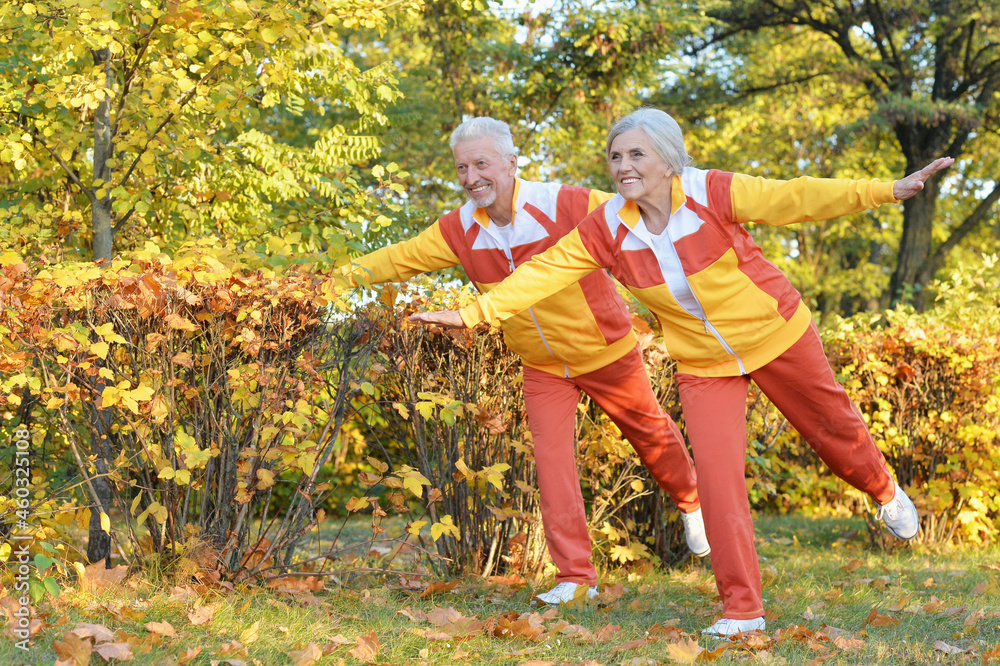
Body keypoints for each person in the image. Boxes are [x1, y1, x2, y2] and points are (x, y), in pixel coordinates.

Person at [409, 108, 950, 636]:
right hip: (702, 362)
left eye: (636, 154)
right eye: (615, 156)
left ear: (668, 159)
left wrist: (884, 191)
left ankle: (881, 489)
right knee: (716, 481)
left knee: (834, 433)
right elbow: (544, 272)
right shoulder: (606, 228)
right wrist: (472, 313)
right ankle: (742, 610)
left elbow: (795, 196)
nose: (623, 165)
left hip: (775, 333)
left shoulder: (712, 192)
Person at [335, 116, 710, 606]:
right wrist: (334, 280)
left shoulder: (568, 204)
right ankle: (576, 578)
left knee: (651, 434)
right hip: (541, 363)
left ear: (512, 163)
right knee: (553, 467)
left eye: (482, 164)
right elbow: (398, 258)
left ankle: (691, 500)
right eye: (462, 168)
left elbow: (639, 211)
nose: (471, 178)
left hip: (604, 349)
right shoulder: (460, 229)